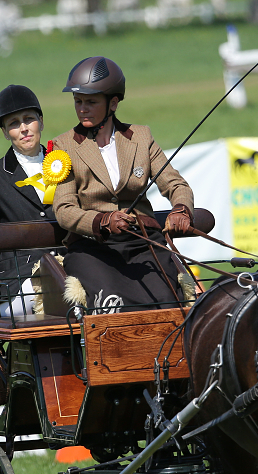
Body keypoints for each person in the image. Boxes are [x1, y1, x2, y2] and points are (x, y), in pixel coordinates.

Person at [51, 56, 194, 314]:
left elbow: (175, 183)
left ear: (113, 103)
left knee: (167, 302)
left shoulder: (141, 137)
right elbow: (63, 209)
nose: (82, 108)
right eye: (78, 101)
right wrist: (102, 221)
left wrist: (181, 208)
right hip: (93, 248)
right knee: (113, 305)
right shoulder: (63, 146)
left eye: (91, 101)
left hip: (143, 242)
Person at [0, 84, 56, 316]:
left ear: (41, 122)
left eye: (29, 119)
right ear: (6, 133)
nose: (24, 128)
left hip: (72, 266)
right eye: (14, 124)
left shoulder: (64, 164)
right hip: (19, 280)